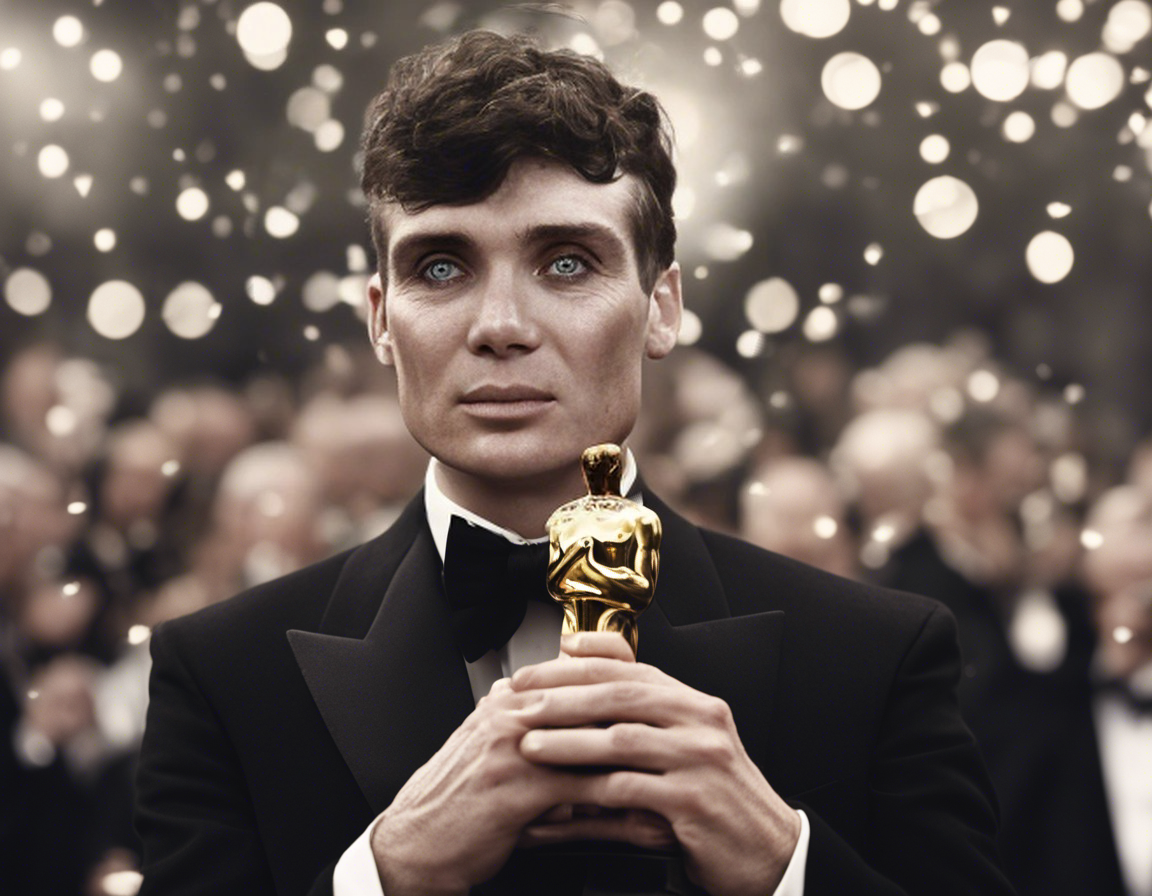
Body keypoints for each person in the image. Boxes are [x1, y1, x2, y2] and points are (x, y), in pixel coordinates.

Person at [134, 30, 1015, 896]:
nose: (500, 324)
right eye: (441, 267)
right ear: (380, 318)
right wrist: (384, 875)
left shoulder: (872, 656)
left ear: (660, 307)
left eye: (565, 262)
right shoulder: (224, 676)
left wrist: (785, 865)